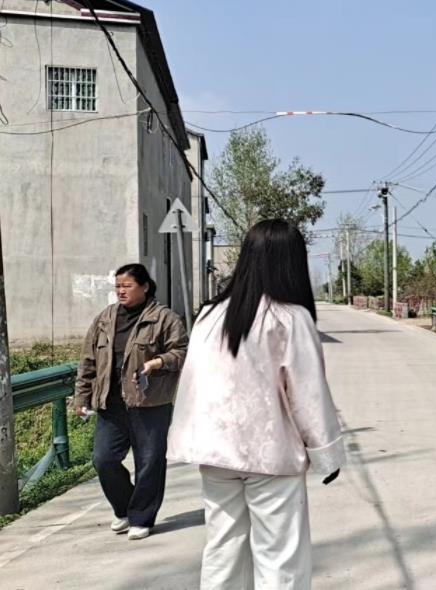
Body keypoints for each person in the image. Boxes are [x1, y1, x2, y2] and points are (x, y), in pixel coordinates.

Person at [167, 219, 345, 590]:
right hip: (270, 455)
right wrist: (326, 455)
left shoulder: (209, 315)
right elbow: (308, 395)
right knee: (279, 558)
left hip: (216, 453)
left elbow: (194, 383)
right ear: (291, 263)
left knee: (222, 551)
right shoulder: (290, 318)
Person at [74, 263, 188, 541]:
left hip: (150, 402)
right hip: (110, 402)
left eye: (127, 286)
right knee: (104, 459)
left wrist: (158, 362)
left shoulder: (165, 319)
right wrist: (81, 396)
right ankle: (125, 508)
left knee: (149, 462)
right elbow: (88, 360)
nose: (120, 291)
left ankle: (141, 518)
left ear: (145, 286)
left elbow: (182, 352)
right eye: (117, 286)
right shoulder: (105, 318)